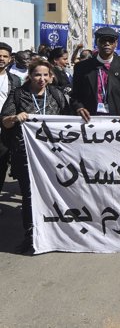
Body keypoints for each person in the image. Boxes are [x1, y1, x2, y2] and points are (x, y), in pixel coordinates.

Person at [1, 59, 70, 253]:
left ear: (51, 76)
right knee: (30, 196)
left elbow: (68, 121)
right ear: (30, 75)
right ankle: (31, 237)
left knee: (55, 194)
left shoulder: (56, 94)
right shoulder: (18, 95)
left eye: (45, 75)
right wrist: (15, 118)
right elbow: (4, 121)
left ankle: (55, 234)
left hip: (54, 156)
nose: (41, 79)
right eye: (37, 75)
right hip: (26, 155)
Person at [71, 27, 120, 123]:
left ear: (116, 43)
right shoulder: (81, 67)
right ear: (96, 42)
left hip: (119, 120)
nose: (107, 44)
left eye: (111, 41)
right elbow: (75, 96)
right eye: (103, 40)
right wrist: (79, 108)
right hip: (90, 120)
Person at [0, 42, 21, 209]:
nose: (1, 59)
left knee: (1, 167)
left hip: (5, 130)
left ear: (10, 59)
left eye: (4, 56)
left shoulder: (14, 80)